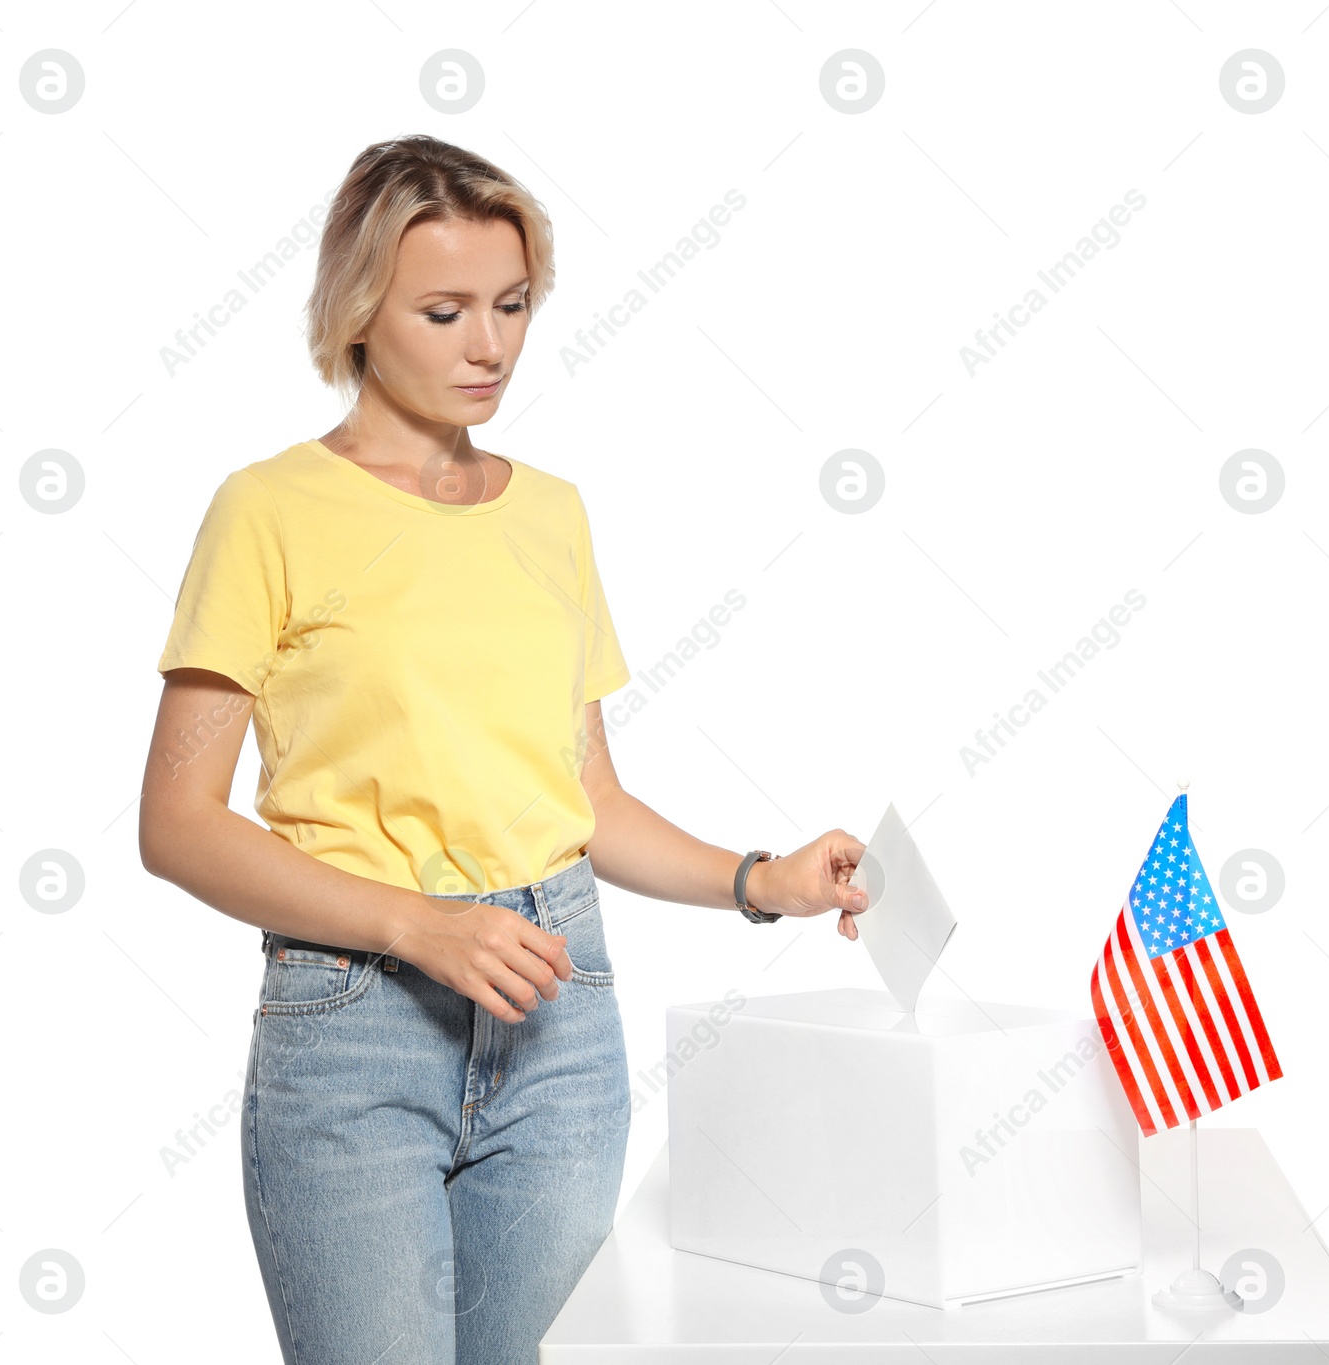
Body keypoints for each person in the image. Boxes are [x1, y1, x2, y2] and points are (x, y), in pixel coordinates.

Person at [138, 132, 869, 1365]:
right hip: (359, 1012)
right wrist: (418, 925)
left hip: (559, 1012)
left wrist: (761, 882)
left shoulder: (551, 514)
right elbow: (179, 822)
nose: (490, 346)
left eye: (513, 304)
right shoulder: (267, 512)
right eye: (444, 309)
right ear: (359, 310)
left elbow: (587, 798)